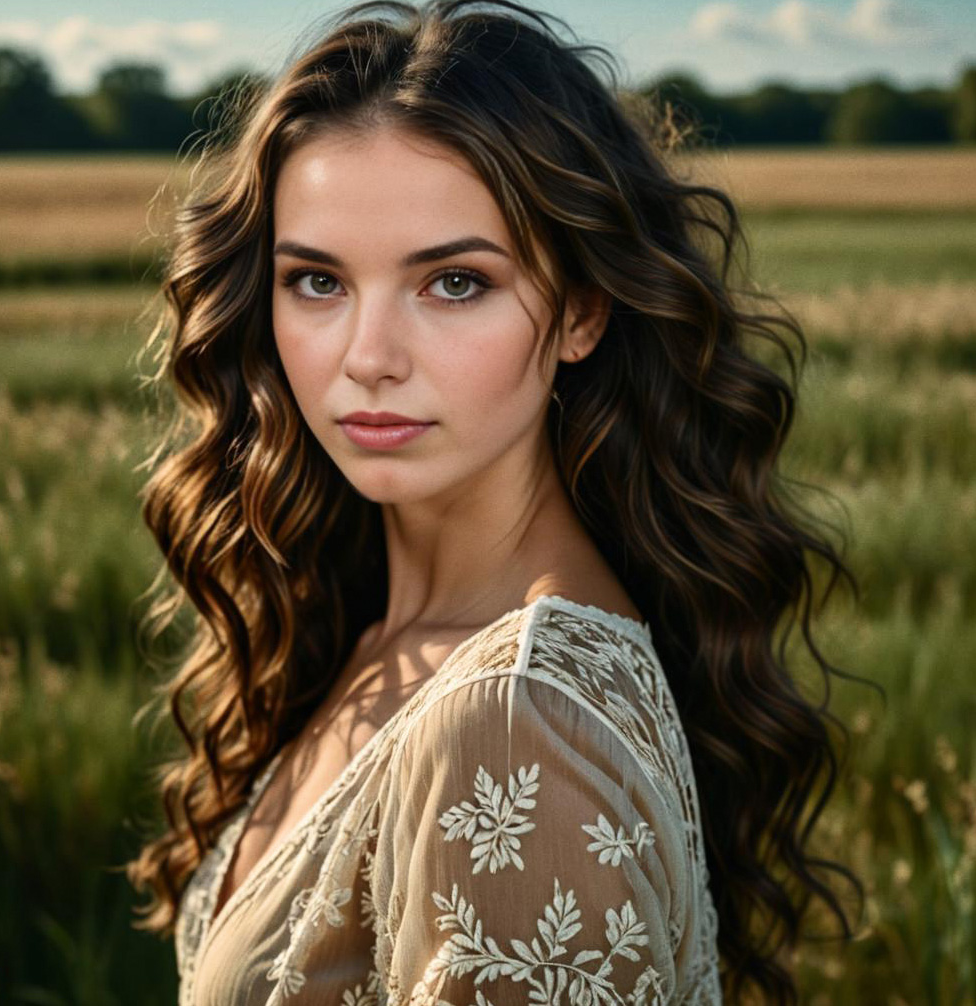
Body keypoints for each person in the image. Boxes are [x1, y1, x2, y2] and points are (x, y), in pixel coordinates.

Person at [125, 1, 864, 1003]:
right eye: (316, 282)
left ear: (583, 310)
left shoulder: (509, 723)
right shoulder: (377, 629)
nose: (367, 359)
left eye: (454, 284)